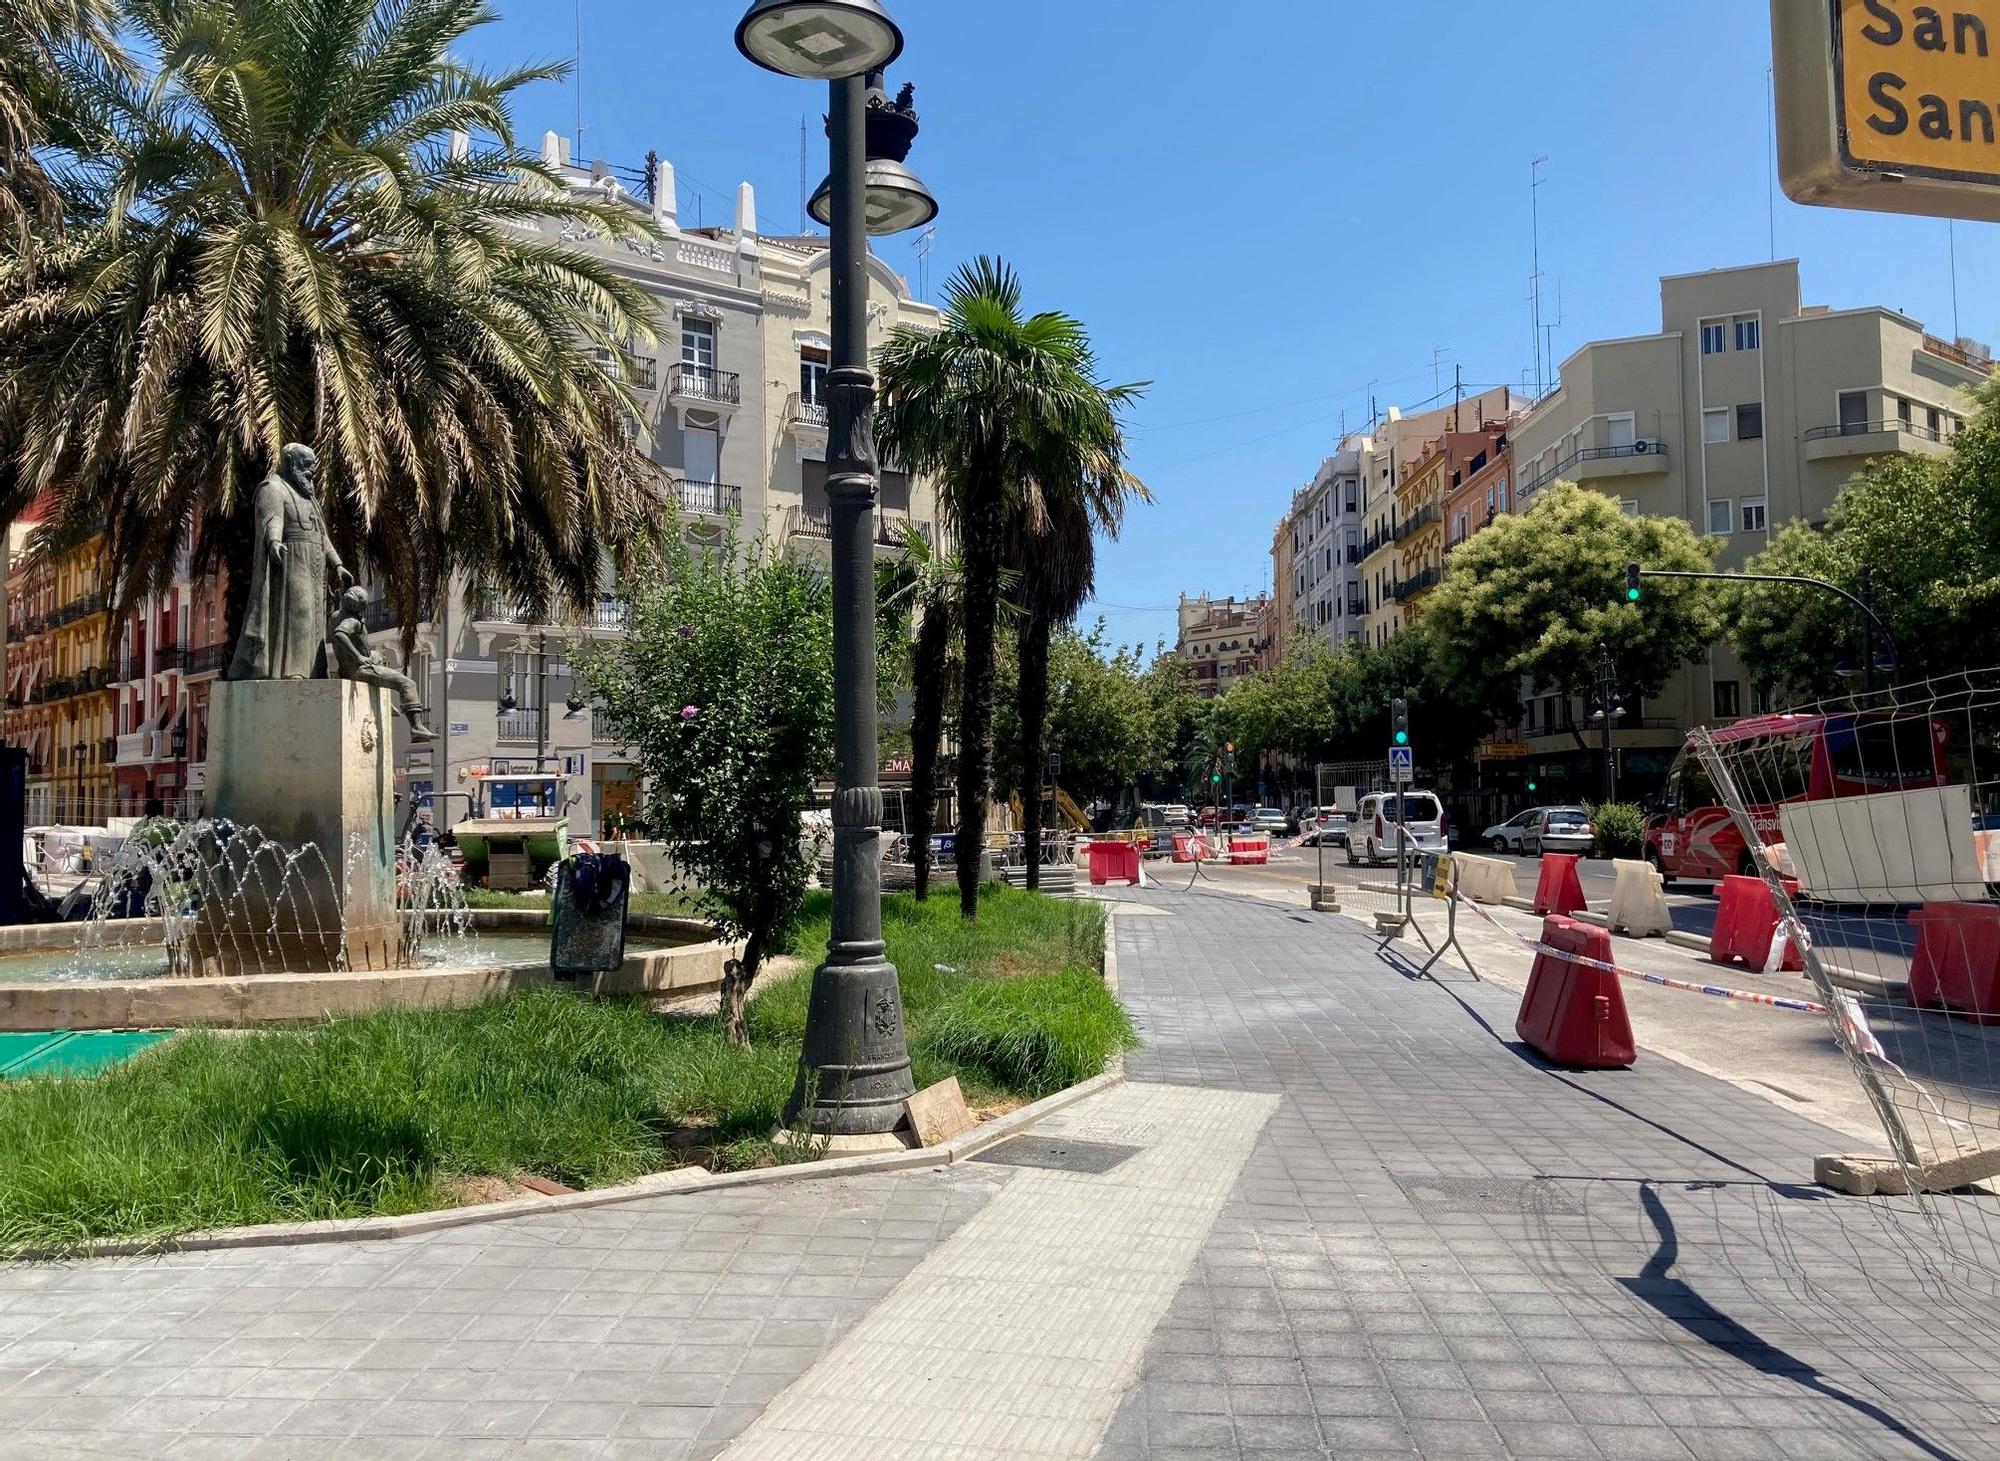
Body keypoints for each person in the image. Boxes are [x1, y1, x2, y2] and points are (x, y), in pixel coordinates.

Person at [330, 586, 437, 741]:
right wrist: (359, 656)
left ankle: (382, 695)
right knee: (408, 684)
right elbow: (340, 634)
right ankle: (416, 727)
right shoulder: (351, 621)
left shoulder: (335, 616)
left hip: (348, 668)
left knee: (377, 655)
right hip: (361, 670)